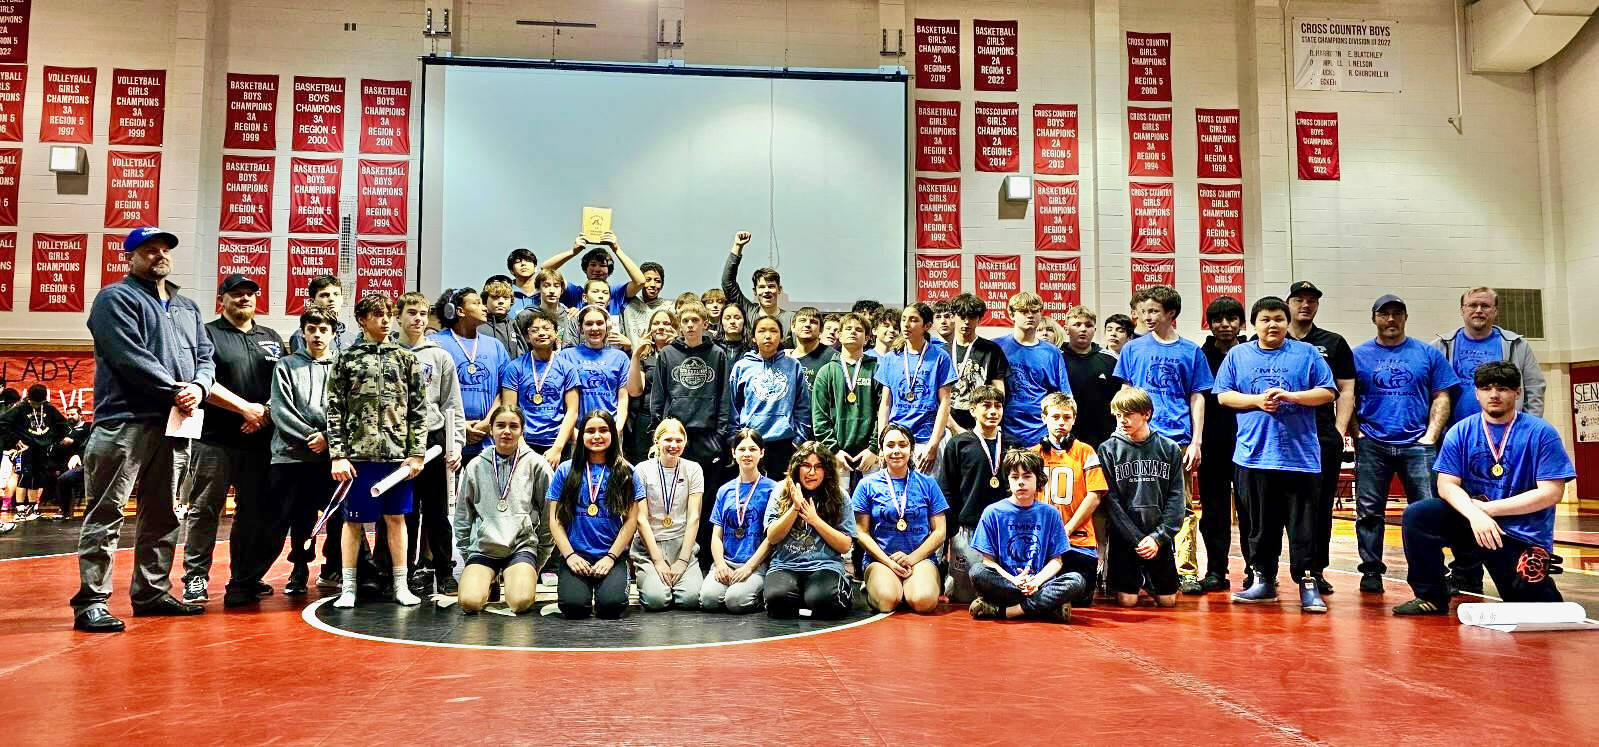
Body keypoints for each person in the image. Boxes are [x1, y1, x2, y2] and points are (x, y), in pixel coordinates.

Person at [72, 227, 214, 632]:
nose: (159, 256)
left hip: (175, 423)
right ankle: (91, 601)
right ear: (129, 258)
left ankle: (151, 593)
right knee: (107, 511)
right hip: (124, 422)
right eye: (149, 250)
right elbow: (127, 356)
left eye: (165, 250)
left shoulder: (187, 307)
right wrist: (175, 390)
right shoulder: (115, 298)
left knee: (165, 512)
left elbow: (206, 356)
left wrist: (198, 387)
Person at [1394, 362, 1575, 615]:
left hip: (1518, 533)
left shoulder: (1541, 433)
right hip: (1473, 523)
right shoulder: (1461, 431)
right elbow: (1446, 484)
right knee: (1419, 515)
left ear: (1517, 393)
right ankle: (1431, 596)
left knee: (1538, 611)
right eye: (1486, 388)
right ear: (1476, 393)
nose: (1494, 394)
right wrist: (1475, 514)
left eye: (1502, 388)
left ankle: (1538, 587)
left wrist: (1489, 510)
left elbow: (1551, 492)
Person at [1215, 297, 1338, 613]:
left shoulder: (1307, 354)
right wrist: (1256, 401)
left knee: (1305, 526)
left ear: (1287, 322)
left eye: (1279, 319)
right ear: (1253, 325)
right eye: (1266, 319)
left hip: (1300, 458)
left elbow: (1327, 391)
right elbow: (1224, 396)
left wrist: (1293, 396)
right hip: (1253, 457)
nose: (1273, 325)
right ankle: (1263, 580)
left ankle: (1308, 583)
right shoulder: (1237, 355)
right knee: (1259, 526)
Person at [1430, 286, 1547, 595]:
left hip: (1507, 442)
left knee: (1508, 505)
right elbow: (1430, 389)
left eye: (1485, 306)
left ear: (1495, 311)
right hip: (1458, 443)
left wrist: (1530, 429)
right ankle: (1465, 573)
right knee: (1455, 509)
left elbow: (1534, 387)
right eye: (1472, 305)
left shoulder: (1515, 345)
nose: (1478, 310)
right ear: (1462, 310)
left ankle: (1518, 566)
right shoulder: (1443, 345)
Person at [178, 274, 283, 608]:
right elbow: (201, 380)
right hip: (216, 441)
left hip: (260, 441)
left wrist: (263, 412)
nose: (244, 299)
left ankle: (244, 578)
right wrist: (244, 410)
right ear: (221, 298)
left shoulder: (271, 337)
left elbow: (284, 384)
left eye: (250, 294)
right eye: (236, 294)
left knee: (253, 513)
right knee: (205, 510)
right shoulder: (207, 334)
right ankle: (195, 578)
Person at [325, 293, 428, 609]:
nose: (385, 320)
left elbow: (419, 409)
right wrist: (338, 454)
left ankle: (400, 584)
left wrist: (417, 453)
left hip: (398, 458)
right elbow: (334, 409)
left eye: (388, 314)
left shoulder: (406, 358)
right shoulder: (346, 359)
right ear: (362, 320)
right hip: (358, 457)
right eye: (377, 314)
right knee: (353, 523)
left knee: (396, 520)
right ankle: (349, 587)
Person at [1352, 294, 1459, 593]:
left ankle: (1431, 573)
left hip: (1418, 445)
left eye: (1397, 313)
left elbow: (1442, 396)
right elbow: (1347, 396)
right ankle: (1371, 571)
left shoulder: (1427, 354)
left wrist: (1431, 436)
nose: (1391, 319)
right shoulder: (1358, 355)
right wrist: (1358, 433)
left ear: (1405, 317)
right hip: (1373, 443)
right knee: (1369, 513)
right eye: (1384, 314)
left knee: (1425, 512)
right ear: (1374, 318)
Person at [1114, 284, 1212, 595]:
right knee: (1135, 505)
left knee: (1179, 506)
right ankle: (1136, 571)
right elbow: (1124, 393)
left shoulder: (1191, 351)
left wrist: (1196, 440)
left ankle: (1186, 571)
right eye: (1143, 312)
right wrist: (1120, 430)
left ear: (1171, 313)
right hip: (1137, 439)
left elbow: (1197, 396)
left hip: (1176, 437)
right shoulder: (1132, 349)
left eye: (1154, 311)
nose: (1147, 317)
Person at [379, 292, 466, 596]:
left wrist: (455, 444)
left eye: (423, 313)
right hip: (397, 443)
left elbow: (451, 404)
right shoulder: (385, 352)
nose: (417, 318)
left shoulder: (439, 356)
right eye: (411, 312)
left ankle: (443, 571)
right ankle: (402, 572)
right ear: (398, 316)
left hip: (433, 441)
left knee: (437, 512)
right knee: (402, 512)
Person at [647, 301, 733, 569]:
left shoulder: (718, 354)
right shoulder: (667, 354)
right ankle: (675, 555)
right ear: (679, 325)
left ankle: (705, 558)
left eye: (696, 320)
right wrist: (659, 433)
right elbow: (658, 396)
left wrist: (721, 436)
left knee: (705, 501)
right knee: (674, 500)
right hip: (676, 438)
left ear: (705, 324)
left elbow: (724, 397)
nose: (691, 325)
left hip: (708, 438)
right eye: (685, 321)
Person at [1285, 280, 1356, 595]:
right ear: (1288, 303)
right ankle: (1264, 571)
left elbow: (1347, 388)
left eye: (1311, 300)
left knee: (1319, 507)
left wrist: (1339, 431)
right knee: (1276, 508)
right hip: (1282, 439)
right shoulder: (1274, 339)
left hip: (1321, 438)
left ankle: (1315, 570)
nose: (1305, 305)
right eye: (1299, 299)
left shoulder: (1333, 342)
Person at [264, 308, 341, 595]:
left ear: (333, 333)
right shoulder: (285, 365)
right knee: (299, 516)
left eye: (324, 330)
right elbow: (281, 411)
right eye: (312, 329)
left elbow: (348, 410)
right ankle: (299, 568)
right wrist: (312, 436)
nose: (317, 335)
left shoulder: (342, 366)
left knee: (337, 516)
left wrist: (328, 438)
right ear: (303, 332)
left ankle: (336, 567)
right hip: (293, 456)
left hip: (331, 457)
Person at [967, 449, 1085, 622]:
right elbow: (988, 561)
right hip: (1007, 583)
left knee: (1077, 580)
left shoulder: (1050, 513)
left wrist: (1036, 582)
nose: (1021, 482)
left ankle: (1008, 611)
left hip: (1040, 583)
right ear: (1008, 479)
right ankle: (1046, 607)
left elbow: (1056, 561)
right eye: (1015, 477)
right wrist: (1013, 580)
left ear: (1038, 479)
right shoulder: (992, 512)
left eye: (1027, 476)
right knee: (977, 572)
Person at [455, 404, 550, 615]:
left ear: (521, 431)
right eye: (501, 425)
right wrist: (466, 551)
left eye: (513, 426)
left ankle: (515, 576)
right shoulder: (476, 465)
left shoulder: (537, 464)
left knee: (520, 602)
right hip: (484, 548)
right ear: (491, 429)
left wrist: (540, 557)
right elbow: (463, 514)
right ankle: (490, 581)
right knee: (469, 603)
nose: (507, 431)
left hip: (520, 547)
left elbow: (549, 514)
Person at [547, 410, 642, 619]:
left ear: (613, 435)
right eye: (590, 431)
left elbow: (631, 521)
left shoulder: (627, 472)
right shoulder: (565, 470)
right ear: (581, 436)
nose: (597, 436)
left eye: (603, 430)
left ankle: (612, 582)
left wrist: (610, 558)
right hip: (576, 554)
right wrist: (570, 556)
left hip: (611, 555)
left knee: (612, 606)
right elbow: (555, 520)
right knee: (574, 608)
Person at [1096, 387, 1184, 608]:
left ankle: (1148, 580)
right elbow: (1111, 501)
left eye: (1128, 414)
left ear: (1146, 414)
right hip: (1126, 538)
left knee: (1168, 601)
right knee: (1127, 601)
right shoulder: (1108, 450)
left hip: (1157, 536)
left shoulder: (1169, 449)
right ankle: (1134, 579)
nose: (1122, 420)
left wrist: (1158, 537)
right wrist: (1136, 539)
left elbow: (1176, 499)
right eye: (1118, 415)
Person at [852, 423, 948, 614]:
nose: (896, 450)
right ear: (881, 451)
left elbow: (940, 532)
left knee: (924, 602)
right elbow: (861, 533)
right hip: (881, 559)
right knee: (887, 601)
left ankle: (911, 586)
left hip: (920, 559)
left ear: (911, 450)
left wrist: (911, 559)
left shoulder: (927, 483)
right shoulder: (866, 485)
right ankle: (877, 584)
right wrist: (889, 562)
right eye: (890, 445)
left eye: (902, 445)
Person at [938, 385, 1016, 604]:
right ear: (972, 410)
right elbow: (947, 489)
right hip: (967, 529)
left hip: (1004, 529)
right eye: (986, 406)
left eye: (998, 406)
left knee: (1000, 592)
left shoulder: (1012, 444)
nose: (993, 411)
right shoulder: (958, 444)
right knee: (965, 597)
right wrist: (952, 531)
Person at [764, 441, 857, 619]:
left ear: (826, 470)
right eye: (806, 466)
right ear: (797, 468)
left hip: (824, 566)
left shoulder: (839, 495)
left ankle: (829, 590)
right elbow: (772, 537)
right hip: (786, 565)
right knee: (778, 600)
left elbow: (845, 546)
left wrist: (815, 521)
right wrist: (795, 509)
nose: (812, 472)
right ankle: (801, 597)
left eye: (818, 467)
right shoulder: (781, 490)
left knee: (823, 601)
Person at [1032, 393, 1106, 608]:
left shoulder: (1085, 452)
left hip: (1079, 540)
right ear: (1044, 418)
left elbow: (1095, 495)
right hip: (1042, 541)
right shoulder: (1033, 454)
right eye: (1055, 417)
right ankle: (1049, 605)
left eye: (1066, 417)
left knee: (1080, 595)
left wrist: (1067, 529)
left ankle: (1046, 603)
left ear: (1074, 419)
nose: (1061, 422)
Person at [1195, 296, 1245, 593]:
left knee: (1251, 510)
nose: (1225, 325)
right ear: (1209, 324)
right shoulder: (1199, 356)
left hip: (1249, 445)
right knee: (1213, 513)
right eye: (1218, 320)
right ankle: (1216, 570)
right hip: (1212, 445)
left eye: (1231, 319)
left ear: (1241, 322)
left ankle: (1257, 570)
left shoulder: (1254, 352)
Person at [632, 418, 705, 610]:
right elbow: (641, 519)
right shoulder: (642, 470)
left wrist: (682, 560)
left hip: (681, 544)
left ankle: (678, 577)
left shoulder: (693, 469)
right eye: (668, 440)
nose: (673, 445)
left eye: (679, 440)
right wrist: (657, 560)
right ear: (657, 441)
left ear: (685, 442)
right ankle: (650, 578)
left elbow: (694, 517)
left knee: (691, 599)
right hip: (649, 546)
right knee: (656, 601)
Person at [701, 429, 777, 613]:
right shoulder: (724, 490)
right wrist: (719, 565)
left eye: (753, 449)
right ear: (733, 453)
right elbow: (716, 536)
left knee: (735, 601)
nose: (747, 454)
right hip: (727, 562)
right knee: (709, 599)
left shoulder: (773, 489)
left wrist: (749, 567)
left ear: (762, 452)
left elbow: (771, 538)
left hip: (756, 563)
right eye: (742, 449)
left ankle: (760, 595)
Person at [875, 304, 956, 474]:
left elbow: (945, 403)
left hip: (926, 439)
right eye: (904, 319)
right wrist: (882, 443)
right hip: (897, 438)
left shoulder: (940, 357)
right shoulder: (891, 358)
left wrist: (933, 445)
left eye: (913, 320)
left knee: (925, 495)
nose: (906, 324)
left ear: (926, 326)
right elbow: (885, 404)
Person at [431, 287, 510, 463]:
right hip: (447, 441)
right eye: (477, 303)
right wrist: (458, 426)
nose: (484, 308)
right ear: (459, 311)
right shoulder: (435, 344)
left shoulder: (495, 346)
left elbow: (505, 389)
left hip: (487, 440)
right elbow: (430, 395)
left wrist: (489, 422)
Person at [726, 315, 811, 476]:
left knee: (781, 497)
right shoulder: (741, 367)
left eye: (773, 331)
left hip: (784, 444)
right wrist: (734, 439)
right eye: (762, 331)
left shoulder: (793, 366)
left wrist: (797, 441)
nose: (768, 336)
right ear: (753, 337)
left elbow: (803, 407)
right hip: (749, 443)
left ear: (781, 337)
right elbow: (732, 407)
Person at [812, 311, 881, 490]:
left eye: (858, 330)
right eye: (848, 329)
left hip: (870, 454)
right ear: (840, 336)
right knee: (837, 509)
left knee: (871, 509)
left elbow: (884, 412)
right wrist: (833, 450)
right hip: (836, 455)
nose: (853, 332)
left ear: (866, 339)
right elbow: (819, 417)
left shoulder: (877, 370)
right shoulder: (826, 372)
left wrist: (874, 448)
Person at [500, 307, 577, 465]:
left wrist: (557, 448)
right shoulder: (515, 367)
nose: (541, 333)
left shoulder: (567, 367)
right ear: (527, 337)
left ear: (556, 333)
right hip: (523, 443)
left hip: (557, 443)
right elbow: (509, 410)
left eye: (547, 328)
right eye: (534, 330)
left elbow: (572, 411)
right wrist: (522, 447)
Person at [995, 292, 1071, 446]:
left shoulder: (1052, 353)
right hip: (1004, 430)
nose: (1030, 316)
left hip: (1040, 431)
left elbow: (1064, 396)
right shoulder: (996, 347)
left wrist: (1063, 431)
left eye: (1035, 311)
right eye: (1023, 312)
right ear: (1011, 314)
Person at [551, 305, 632, 443]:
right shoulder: (566, 356)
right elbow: (558, 399)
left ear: (607, 326)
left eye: (600, 323)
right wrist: (572, 432)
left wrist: (616, 430)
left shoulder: (620, 357)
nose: (595, 328)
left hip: (610, 433)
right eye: (589, 324)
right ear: (581, 328)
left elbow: (623, 398)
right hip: (576, 433)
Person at [0, 384, 69, 522]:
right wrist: (15, 440)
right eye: (34, 403)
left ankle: (32, 509)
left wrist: (53, 439)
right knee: (23, 477)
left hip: (41, 448)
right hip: (24, 448)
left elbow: (63, 425)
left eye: (39, 403)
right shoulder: (20, 408)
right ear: (29, 398)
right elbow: (3, 423)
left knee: (37, 479)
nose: (36, 406)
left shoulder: (48, 408)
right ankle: (20, 510)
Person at [945, 293, 1011, 435]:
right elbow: (936, 397)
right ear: (953, 317)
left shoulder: (991, 350)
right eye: (962, 317)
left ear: (979, 319)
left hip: (981, 423)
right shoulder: (942, 352)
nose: (966, 322)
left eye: (972, 317)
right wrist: (953, 426)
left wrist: (990, 421)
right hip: (948, 422)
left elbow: (999, 391)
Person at [542, 232, 647, 315]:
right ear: (585, 268)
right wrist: (573, 252)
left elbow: (640, 282)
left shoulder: (615, 293)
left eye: (602, 265)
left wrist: (616, 249)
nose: (597, 269)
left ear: (608, 270)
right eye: (593, 264)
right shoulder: (575, 292)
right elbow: (545, 270)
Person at [624, 307, 678, 464]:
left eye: (666, 323)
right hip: (646, 418)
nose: (661, 327)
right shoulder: (644, 357)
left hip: (675, 418)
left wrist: (677, 348)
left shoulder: (684, 354)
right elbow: (634, 391)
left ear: (674, 328)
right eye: (656, 323)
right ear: (650, 329)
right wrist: (635, 354)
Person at [1059, 305, 1117, 447]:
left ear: (1095, 330)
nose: (1083, 329)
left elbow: (1119, 399)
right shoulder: (1056, 358)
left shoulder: (1110, 359)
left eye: (1088, 325)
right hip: (1066, 434)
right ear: (1066, 329)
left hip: (1103, 436)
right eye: (1077, 324)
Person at [722, 230, 793, 337]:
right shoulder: (748, 312)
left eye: (771, 286)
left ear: (779, 289)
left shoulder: (791, 319)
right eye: (761, 287)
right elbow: (728, 283)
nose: (767, 291)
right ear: (755, 291)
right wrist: (737, 246)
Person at [288, 274, 357, 353]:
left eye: (336, 294)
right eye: (324, 295)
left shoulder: (351, 338)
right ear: (312, 302)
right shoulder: (301, 335)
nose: (331, 299)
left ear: (342, 299)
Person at [620, 261, 670, 344]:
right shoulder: (628, 303)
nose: (653, 284)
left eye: (657, 281)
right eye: (648, 280)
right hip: (631, 354)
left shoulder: (668, 308)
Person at [788, 306, 838, 388]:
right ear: (793, 327)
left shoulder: (833, 358)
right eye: (802, 320)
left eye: (813, 322)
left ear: (821, 330)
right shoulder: (784, 358)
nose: (807, 325)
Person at [479, 280, 527, 358]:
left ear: (511, 301)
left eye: (505, 297)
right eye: (495, 297)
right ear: (485, 301)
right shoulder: (477, 326)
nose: (501, 301)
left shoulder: (516, 325)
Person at [505, 247, 540, 316]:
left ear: (535, 267)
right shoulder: (505, 294)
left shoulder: (546, 292)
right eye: (517, 262)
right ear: (511, 271)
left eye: (528, 260)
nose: (523, 264)